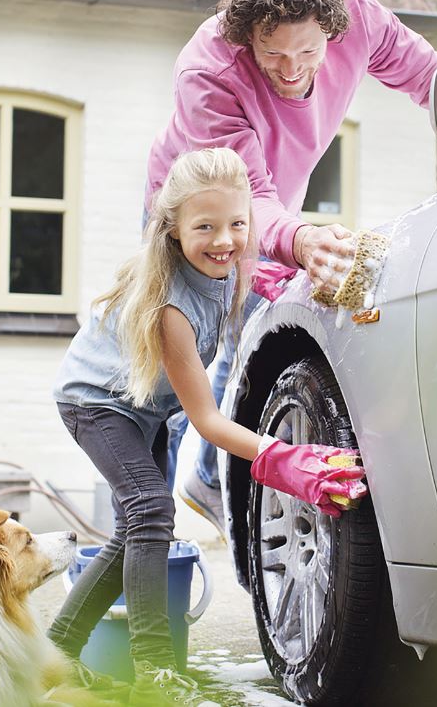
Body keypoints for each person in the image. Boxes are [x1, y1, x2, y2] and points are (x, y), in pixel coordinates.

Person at [146, 0, 437, 534]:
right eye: (272, 54)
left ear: (333, 30)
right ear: (247, 38)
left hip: (274, 204)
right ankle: (149, 524)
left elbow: (432, 78)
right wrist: (299, 238)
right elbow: (245, 199)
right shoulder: (208, 73)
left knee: (253, 320)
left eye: (308, 53)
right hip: (198, 211)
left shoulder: (359, 16)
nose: (292, 70)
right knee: (175, 376)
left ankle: (209, 475)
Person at [49, 147, 368, 705]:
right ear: (173, 231)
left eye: (237, 224)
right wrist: (283, 459)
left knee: (135, 530)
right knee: (151, 510)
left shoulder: (228, 263)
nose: (224, 240)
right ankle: (156, 673)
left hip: (146, 406)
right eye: (205, 227)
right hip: (97, 402)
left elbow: (247, 280)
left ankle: (53, 653)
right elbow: (208, 419)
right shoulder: (169, 307)